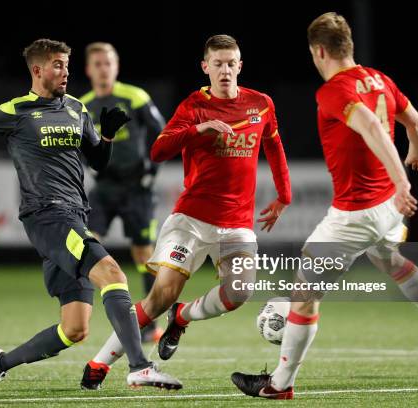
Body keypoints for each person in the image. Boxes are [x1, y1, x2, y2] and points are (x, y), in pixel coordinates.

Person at [231, 12, 418, 400]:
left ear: (319, 51)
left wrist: (403, 180)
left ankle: (279, 385)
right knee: (392, 261)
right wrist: (417, 155)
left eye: (313, 54)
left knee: (305, 292)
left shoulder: (334, 90)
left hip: (356, 213)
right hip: (388, 207)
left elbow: (372, 128)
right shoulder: (381, 79)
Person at [0, 38, 181, 392]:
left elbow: (97, 162)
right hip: (46, 216)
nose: (66, 72)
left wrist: (106, 136)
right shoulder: (15, 111)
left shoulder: (77, 108)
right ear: (37, 70)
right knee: (112, 274)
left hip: (75, 215)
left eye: (66, 64)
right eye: (58, 65)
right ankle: (140, 367)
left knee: (74, 329)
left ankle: (0, 363)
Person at [80, 34, 292, 390]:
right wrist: (198, 129)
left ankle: (183, 315)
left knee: (239, 293)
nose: (225, 70)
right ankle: (99, 363)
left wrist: (284, 196)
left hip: (237, 224)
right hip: (191, 220)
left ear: (240, 66)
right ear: (205, 67)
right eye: (218, 64)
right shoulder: (194, 105)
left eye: (231, 64)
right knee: (160, 296)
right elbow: (160, 149)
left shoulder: (261, 104)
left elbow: (273, 145)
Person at [80, 42, 166, 343]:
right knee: (87, 246)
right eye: (97, 64)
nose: (103, 68)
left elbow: (162, 132)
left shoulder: (134, 96)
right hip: (104, 188)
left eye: (108, 63)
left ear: (116, 67)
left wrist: (150, 172)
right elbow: (77, 147)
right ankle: (81, 315)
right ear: (89, 69)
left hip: (136, 188)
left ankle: (150, 322)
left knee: (144, 253)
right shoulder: (82, 105)